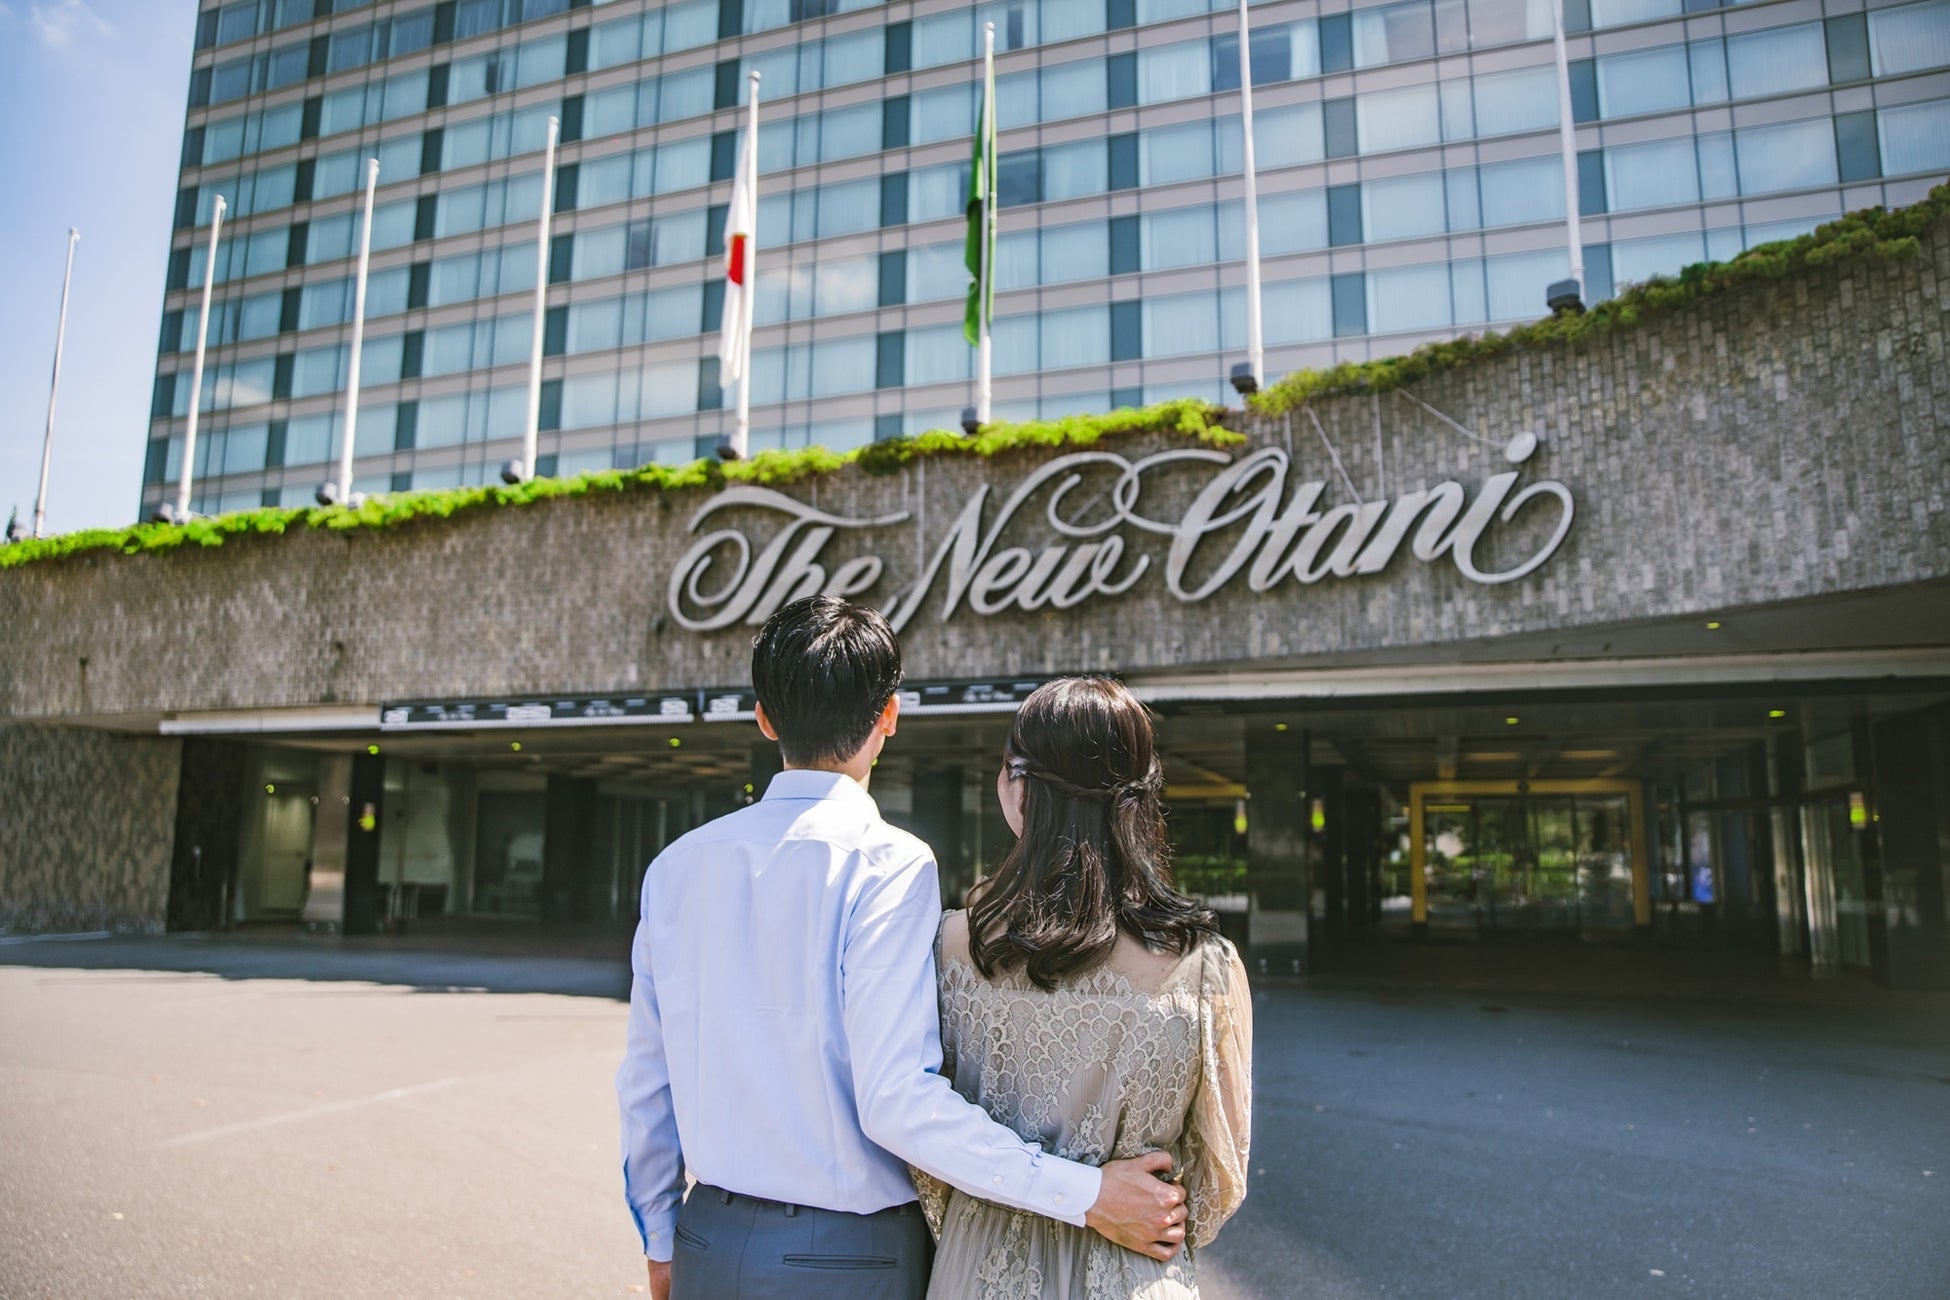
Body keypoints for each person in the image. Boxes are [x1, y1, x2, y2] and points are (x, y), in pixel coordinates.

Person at [617, 597, 1191, 1300]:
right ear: (889, 715)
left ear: (763, 717)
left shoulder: (677, 866)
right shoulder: (888, 862)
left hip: (707, 1236)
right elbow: (895, 1100)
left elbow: (646, 1080)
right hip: (847, 1257)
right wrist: (1086, 1194)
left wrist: (658, 1236)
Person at [914, 676, 1253, 1299]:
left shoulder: (952, 947)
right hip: (1133, 1267)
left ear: (1020, 789)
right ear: (1141, 798)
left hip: (980, 1266)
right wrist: (1144, 1214)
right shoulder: (1205, 966)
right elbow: (1217, 1180)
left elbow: (925, 1148)